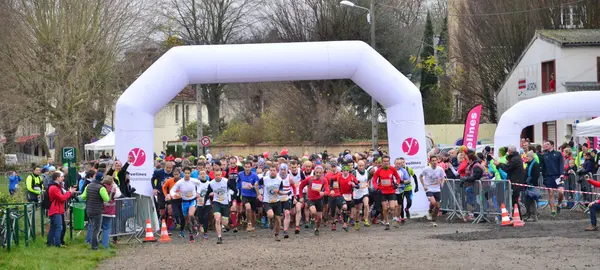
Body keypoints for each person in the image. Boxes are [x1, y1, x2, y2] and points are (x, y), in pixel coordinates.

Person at [170, 167, 203, 242]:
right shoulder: (180, 182)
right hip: (184, 202)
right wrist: (175, 194)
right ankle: (191, 235)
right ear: (183, 173)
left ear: (190, 173)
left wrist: (198, 192)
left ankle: (195, 225)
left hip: (192, 200)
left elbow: (200, 185)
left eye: (188, 173)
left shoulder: (194, 180)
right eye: (185, 173)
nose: (187, 175)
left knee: (191, 214)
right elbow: (172, 190)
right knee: (187, 220)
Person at [204, 170, 237, 244]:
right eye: (216, 175)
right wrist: (204, 203)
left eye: (219, 175)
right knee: (217, 219)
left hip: (225, 203)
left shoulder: (226, 181)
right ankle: (219, 237)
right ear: (214, 175)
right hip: (216, 203)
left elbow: (235, 190)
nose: (218, 176)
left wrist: (231, 200)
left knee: (225, 223)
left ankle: (227, 225)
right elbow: (207, 194)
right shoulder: (211, 183)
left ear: (221, 175)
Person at [256, 165, 286, 241]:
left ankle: (277, 235)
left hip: (277, 201)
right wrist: (259, 194)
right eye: (271, 170)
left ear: (277, 171)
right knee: (270, 214)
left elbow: (282, 192)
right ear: (269, 171)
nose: (272, 172)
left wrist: (278, 191)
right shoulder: (265, 179)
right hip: (267, 201)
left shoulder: (279, 180)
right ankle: (270, 221)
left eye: (274, 170)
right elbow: (256, 184)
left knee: (279, 221)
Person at [371, 155, 401, 230]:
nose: (386, 163)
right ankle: (386, 222)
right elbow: (374, 180)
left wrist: (397, 183)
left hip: (391, 191)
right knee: (384, 208)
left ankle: (394, 218)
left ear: (389, 162)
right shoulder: (379, 170)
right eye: (384, 161)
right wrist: (377, 188)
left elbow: (398, 178)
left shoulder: (392, 169)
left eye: (387, 161)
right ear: (382, 162)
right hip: (382, 192)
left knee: (392, 207)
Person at [298, 165, 330, 236]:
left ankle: (317, 229)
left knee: (320, 217)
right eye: (317, 172)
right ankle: (312, 219)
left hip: (319, 200)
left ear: (322, 173)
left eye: (320, 173)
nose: (318, 174)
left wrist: (324, 193)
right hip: (310, 199)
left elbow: (328, 190)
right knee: (313, 211)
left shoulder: (323, 180)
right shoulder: (310, 179)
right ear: (314, 172)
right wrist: (301, 197)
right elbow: (300, 187)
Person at [82, 172, 110, 250]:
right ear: (102, 179)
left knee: (92, 227)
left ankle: (90, 242)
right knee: (96, 230)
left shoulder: (88, 185)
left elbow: (83, 196)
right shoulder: (101, 188)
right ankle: (94, 246)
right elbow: (106, 199)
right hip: (97, 211)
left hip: (89, 210)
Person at [496, 145, 526, 217]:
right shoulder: (516, 158)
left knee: (514, 200)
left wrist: (499, 164)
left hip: (516, 181)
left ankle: (517, 216)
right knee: (514, 200)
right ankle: (516, 216)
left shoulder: (515, 160)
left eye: (508, 151)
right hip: (515, 180)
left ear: (510, 151)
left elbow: (507, 168)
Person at [47, 172, 75, 247]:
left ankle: (50, 243)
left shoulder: (55, 186)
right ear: (57, 178)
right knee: (59, 227)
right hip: (56, 209)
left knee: (53, 227)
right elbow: (62, 198)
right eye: (62, 177)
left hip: (57, 209)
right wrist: (69, 192)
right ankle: (58, 243)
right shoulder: (54, 187)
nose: (63, 178)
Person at [539, 140, 564, 217]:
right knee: (551, 193)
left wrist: (562, 174)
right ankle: (553, 210)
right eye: (544, 144)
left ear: (552, 145)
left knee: (561, 192)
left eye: (547, 144)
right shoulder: (544, 155)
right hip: (548, 177)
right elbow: (541, 166)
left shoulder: (558, 154)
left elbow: (561, 164)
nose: (545, 145)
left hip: (557, 176)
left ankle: (559, 205)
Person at [420, 156, 445, 227]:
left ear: (437, 161)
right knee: (433, 202)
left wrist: (442, 183)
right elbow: (420, 176)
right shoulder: (426, 169)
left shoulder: (440, 169)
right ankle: (430, 210)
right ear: (430, 162)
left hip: (437, 189)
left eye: (435, 160)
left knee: (438, 206)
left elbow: (443, 177)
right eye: (432, 161)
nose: (434, 162)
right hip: (429, 188)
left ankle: (434, 220)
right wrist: (424, 185)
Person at [238, 161, 260, 232]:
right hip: (244, 195)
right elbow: (238, 183)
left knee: (253, 213)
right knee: (248, 208)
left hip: (253, 195)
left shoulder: (254, 175)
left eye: (248, 167)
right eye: (246, 167)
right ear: (243, 167)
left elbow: (258, 186)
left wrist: (252, 186)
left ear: (251, 167)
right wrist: (238, 189)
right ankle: (249, 224)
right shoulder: (240, 174)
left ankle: (252, 225)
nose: (247, 168)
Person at [100, 176, 121, 248]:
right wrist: (115, 185)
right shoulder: (112, 189)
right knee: (106, 228)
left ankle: (95, 243)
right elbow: (118, 194)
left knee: (97, 228)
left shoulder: (101, 187)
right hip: (109, 211)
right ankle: (105, 244)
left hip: (99, 209)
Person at [278, 163, 297, 238]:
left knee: (287, 213)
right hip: (278, 197)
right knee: (278, 215)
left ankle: (285, 231)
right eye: (281, 169)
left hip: (287, 197)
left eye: (284, 170)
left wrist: (294, 197)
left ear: (286, 170)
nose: (283, 171)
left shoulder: (290, 177)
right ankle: (278, 226)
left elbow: (294, 187)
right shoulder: (276, 176)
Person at [352, 160, 371, 230]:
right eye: (359, 166)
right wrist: (354, 185)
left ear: (364, 166)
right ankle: (357, 222)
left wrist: (368, 184)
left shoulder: (367, 172)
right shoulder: (354, 173)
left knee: (366, 205)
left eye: (362, 165)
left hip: (364, 191)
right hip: (357, 193)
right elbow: (351, 182)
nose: (361, 167)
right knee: (357, 210)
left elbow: (368, 180)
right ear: (357, 166)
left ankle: (366, 219)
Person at [524, 151, 540, 222]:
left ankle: (534, 216)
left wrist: (530, 182)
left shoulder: (535, 164)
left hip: (532, 185)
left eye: (527, 156)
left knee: (532, 200)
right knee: (527, 201)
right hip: (528, 185)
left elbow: (536, 175)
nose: (526, 157)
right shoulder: (528, 164)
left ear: (531, 157)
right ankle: (529, 215)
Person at [195, 170, 211, 240]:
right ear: (199, 175)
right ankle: (200, 226)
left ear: (206, 175)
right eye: (201, 174)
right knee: (200, 217)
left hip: (207, 203)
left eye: (203, 174)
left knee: (206, 218)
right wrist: (196, 194)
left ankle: (205, 233)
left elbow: (212, 192)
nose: (202, 175)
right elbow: (194, 192)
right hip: (199, 204)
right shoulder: (197, 184)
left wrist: (210, 194)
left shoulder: (209, 183)